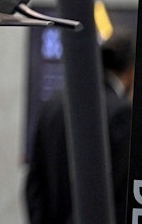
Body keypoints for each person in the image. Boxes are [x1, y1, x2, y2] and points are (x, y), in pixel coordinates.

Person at [25, 30, 135, 223]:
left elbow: (34, 184)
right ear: (131, 71)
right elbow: (115, 192)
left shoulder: (52, 105)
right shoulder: (121, 113)